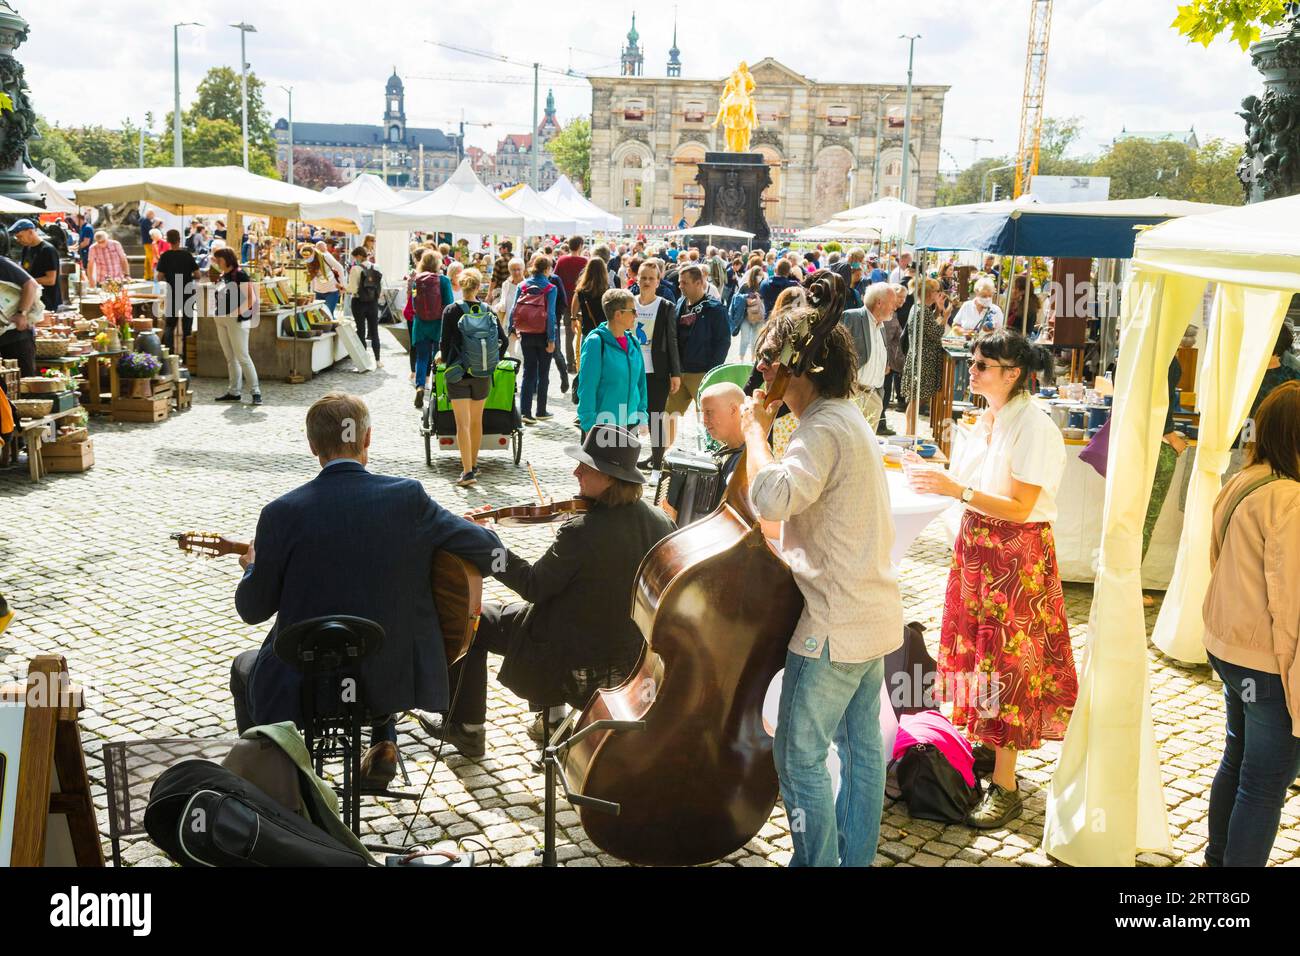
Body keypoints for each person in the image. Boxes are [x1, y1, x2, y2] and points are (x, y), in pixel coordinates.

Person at [230, 392, 503, 788]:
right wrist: (458, 535)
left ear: (312, 446)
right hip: (388, 681)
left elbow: (252, 609)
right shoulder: (407, 498)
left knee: (245, 668)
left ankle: (273, 779)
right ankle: (382, 738)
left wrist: (251, 566)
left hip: (306, 686)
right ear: (368, 438)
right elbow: (492, 553)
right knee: (371, 630)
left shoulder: (281, 513)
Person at [740, 308, 903, 866]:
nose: (762, 374)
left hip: (833, 626)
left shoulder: (824, 427)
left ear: (797, 367)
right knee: (860, 752)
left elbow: (772, 499)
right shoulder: (846, 417)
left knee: (798, 753)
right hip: (870, 616)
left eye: (768, 362)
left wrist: (753, 433)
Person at [907, 329, 1077, 828]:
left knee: (1007, 663)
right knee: (978, 655)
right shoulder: (995, 419)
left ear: (1014, 374)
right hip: (983, 548)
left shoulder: (1034, 426)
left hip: (1014, 555)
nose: (973, 370)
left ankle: (1006, 781)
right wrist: (939, 473)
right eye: (974, 362)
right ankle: (989, 746)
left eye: (983, 365)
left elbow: (1021, 506)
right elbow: (977, 486)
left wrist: (955, 488)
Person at [427, 425, 677, 756]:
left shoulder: (581, 530)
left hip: (569, 654)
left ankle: (468, 727)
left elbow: (533, 585)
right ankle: (551, 716)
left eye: (585, 468)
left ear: (610, 477)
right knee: (558, 610)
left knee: (473, 617)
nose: (576, 472)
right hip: (628, 652)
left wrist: (489, 548)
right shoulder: (662, 522)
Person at [1202, 381, 1300, 867]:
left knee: (1238, 761)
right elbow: (1293, 605)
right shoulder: (1289, 498)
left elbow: (1216, 558)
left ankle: (1217, 859)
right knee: (1263, 784)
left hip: (1232, 652)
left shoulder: (1246, 478)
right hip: (1266, 663)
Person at [438, 268, 504, 487]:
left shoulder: (451, 310)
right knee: (477, 421)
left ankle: (467, 472)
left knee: (462, 424)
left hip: (458, 374)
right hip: (482, 373)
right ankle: (474, 464)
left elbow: (445, 344)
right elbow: (502, 341)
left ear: (461, 285)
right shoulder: (489, 311)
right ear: (478, 287)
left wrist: (446, 360)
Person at [663, 264, 731, 452]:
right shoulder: (679, 304)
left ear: (699, 283)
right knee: (667, 414)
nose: (680, 286)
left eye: (684, 283)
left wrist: (712, 372)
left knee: (707, 417)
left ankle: (713, 453)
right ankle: (660, 454)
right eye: (679, 282)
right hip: (679, 373)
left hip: (702, 373)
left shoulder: (715, 309)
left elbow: (724, 342)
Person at [661, 381, 746, 524]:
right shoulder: (726, 454)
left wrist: (677, 520)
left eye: (709, 412)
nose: (704, 421)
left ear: (733, 410)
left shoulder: (748, 462)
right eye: (702, 413)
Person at [575, 288, 648, 438]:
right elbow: (587, 387)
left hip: (630, 424)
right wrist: (589, 425)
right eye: (633, 311)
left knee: (627, 463)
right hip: (602, 425)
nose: (636, 315)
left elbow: (641, 384)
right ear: (618, 314)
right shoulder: (596, 342)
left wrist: (642, 415)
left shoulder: (633, 342)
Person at [508, 253, 559, 426]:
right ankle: (541, 411)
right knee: (543, 373)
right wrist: (552, 339)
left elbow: (514, 309)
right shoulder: (551, 288)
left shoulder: (522, 285)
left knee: (528, 372)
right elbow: (551, 315)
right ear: (546, 269)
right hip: (544, 334)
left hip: (527, 333)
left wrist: (512, 328)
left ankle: (525, 412)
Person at [210, 247, 262, 406]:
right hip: (221, 319)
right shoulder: (222, 276)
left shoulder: (240, 274)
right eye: (216, 259)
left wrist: (237, 311)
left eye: (219, 259)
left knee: (243, 356)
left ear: (227, 259)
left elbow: (251, 298)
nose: (217, 262)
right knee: (230, 358)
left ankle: (255, 391)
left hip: (236, 320)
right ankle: (234, 391)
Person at [841, 284, 891, 430]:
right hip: (853, 394)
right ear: (879, 302)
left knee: (867, 449)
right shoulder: (852, 317)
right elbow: (839, 354)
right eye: (892, 303)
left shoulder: (881, 325)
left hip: (873, 396)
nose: (895, 307)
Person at [901, 277, 948, 421]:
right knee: (916, 401)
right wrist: (945, 316)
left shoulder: (918, 308)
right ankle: (910, 433)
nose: (939, 294)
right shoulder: (922, 311)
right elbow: (936, 333)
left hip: (919, 359)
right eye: (936, 291)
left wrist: (939, 310)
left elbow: (928, 326)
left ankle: (910, 432)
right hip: (923, 361)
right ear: (929, 293)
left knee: (915, 400)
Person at [412, 251, 454, 409]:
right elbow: (449, 304)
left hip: (421, 325)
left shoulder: (417, 279)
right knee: (439, 358)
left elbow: (414, 302)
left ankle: (420, 386)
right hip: (439, 325)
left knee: (422, 358)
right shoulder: (443, 280)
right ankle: (438, 389)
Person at [154, 229, 200, 361]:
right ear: (179, 239)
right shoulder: (187, 255)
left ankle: (169, 355)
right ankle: (186, 357)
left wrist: (170, 276)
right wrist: (187, 275)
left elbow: (160, 276)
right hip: (187, 292)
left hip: (173, 292)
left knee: (170, 325)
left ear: (168, 240)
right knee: (187, 326)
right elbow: (197, 275)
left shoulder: (165, 256)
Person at [0, 254, 39, 377]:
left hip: (16, 334)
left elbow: (31, 284)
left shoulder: (2, 263)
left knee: (24, 383)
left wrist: (21, 314)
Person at [553, 235, 588, 376]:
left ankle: (570, 363)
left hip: (566, 301)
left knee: (569, 334)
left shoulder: (562, 260)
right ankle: (580, 361)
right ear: (580, 246)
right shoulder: (585, 261)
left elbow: (554, 279)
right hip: (581, 301)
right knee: (583, 333)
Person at [10, 220, 61, 313]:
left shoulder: (47, 250)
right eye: (17, 237)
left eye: (20, 236)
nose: (18, 240)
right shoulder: (26, 248)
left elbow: (50, 280)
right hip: (31, 299)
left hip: (47, 302)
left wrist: (27, 282)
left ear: (30, 232)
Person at [346, 246, 383, 368]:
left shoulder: (355, 269)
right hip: (373, 303)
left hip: (358, 302)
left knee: (360, 331)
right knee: (374, 331)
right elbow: (380, 287)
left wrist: (343, 288)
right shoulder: (376, 267)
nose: (354, 260)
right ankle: (378, 360)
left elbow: (352, 288)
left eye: (355, 257)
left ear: (359, 256)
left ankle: (364, 360)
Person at [730, 265, 766, 363]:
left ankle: (752, 360)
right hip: (746, 316)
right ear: (753, 276)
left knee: (755, 340)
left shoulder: (763, 285)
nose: (760, 277)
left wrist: (760, 298)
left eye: (761, 275)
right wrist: (747, 297)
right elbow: (736, 297)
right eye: (758, 275)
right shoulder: (745, 285)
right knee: (745, 339)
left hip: (759, 317)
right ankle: (741, 358)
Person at [306, 242, 346, 316]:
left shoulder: (325, 257)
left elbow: (340, 268)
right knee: (318, 316)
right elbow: (312, 277)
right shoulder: (309, 261)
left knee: (328, 315)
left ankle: (333, 327)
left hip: (331, 290)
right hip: (317, 291)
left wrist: (342, 285)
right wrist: (312, 292)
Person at [140, 210, 157, 280]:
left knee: (147, 259)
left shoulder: (145, 221)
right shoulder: (146, 221)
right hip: (148, 242)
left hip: (147, 242)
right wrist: (155, 225)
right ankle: (152, 275)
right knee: (151, 258)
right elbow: (151, 231)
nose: (153, 216)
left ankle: (147, 275)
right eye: (153, 214)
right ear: (149, 214)